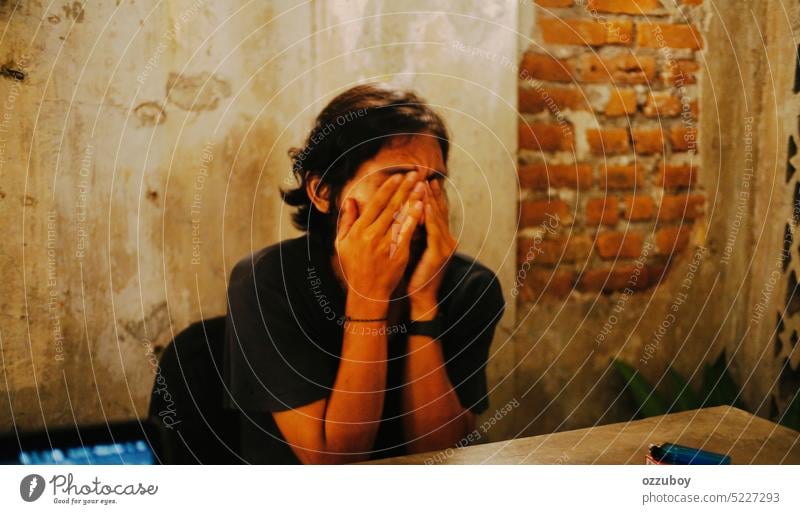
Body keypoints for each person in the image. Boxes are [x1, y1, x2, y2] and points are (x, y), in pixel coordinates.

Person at [224, 83, 505, 464]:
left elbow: (439, 456)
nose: (418, 199)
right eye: (396, 177)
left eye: (433, 180)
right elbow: (335, 465)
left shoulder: (470, 287)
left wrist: (424, 303)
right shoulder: (266, 282)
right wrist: (369, 298)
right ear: (323, 191)